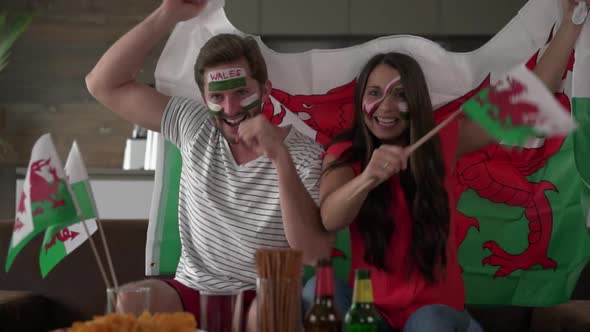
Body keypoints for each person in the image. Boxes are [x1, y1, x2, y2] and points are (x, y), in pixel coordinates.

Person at [302, 0, 586, 331]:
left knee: (430, 322)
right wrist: (368, 177)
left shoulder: (442, 141)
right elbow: (330, 217)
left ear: (418, 100)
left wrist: (572, 23)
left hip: (433, 313)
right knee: (314, 292)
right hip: (370, 311)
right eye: (375, 93)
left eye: (400, 94)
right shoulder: (345, 149)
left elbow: (528, 99)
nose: (386, 106)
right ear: (360, 100)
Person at [85, 0, 335, 329]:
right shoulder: (195, 125)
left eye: (241, 92)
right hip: (191, 289)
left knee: (274, 303)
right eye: (217, 97)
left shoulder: (305, 154)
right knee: (127, 301)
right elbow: (102, 84)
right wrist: (168, 13)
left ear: (265, 91)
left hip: (263, 292)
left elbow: (315, 253)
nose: (230, 109)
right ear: (204, 99)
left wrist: (280, 157)